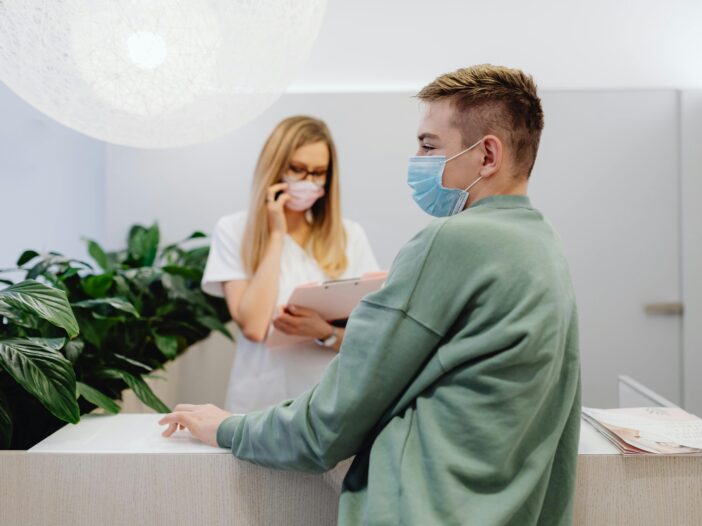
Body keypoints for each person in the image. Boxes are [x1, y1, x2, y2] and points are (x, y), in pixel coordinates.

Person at [161, 64, 582, 526]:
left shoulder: (448, 241)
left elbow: (326, 427)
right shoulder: (543, 245)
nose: (417, 159)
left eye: (428, 145)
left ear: (487, 156)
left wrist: (225, 427)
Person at [200, 115, 379, 413]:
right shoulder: (233, 230)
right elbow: (255, 327)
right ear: (275, 168)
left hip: (331, 401)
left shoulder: (349, 236)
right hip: (262, 401)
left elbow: (371, 336)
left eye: (319, 173)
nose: (308, 182)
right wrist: (276, 235)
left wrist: (324, 332)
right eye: (297, 169)